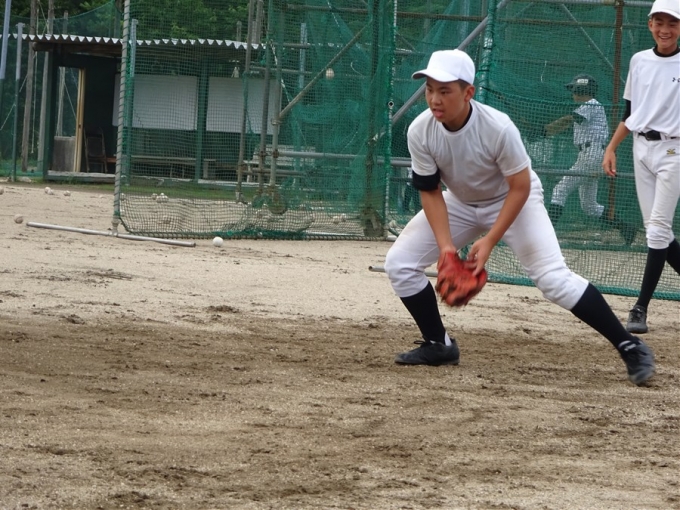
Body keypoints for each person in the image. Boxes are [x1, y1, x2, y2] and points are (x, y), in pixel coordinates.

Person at [383, 49, 655, 386]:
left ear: (468, 93)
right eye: (429, 89)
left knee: (554, 280)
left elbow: (520, 187)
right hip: (460, 202)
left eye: (445, 90)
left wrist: (490, 240)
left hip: (512, 200)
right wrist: (446, 248)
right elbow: (430, 190)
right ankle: (439, 344)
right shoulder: (421, 130)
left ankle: (630, 346)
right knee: (400, 264)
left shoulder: (497, 127)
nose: (434, 99)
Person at [602, 0, 680, 334]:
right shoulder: (639, 60)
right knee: (656, 231)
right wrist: (611, 147)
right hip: (641, 147)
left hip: (673, 149)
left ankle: (640, 308)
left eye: (673, 23)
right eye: (659, 22)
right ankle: (640, 307)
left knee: (659, 229)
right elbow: (631, 111)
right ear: (649, 24)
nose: (665, 29)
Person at [544, 74, 636, 246]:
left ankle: (547, 236)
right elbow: (571, 123)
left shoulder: (591, 104)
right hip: (591, 155)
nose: (573, 93)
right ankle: (626, 228)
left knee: (559, 191)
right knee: (590, 207)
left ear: (582, 89)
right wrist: (545, 132)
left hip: (591, 154)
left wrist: (544, 130)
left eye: (575, 89)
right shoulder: (587, 107)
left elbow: (568, 120)